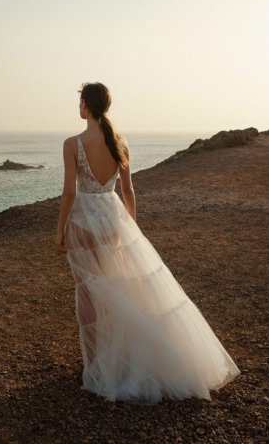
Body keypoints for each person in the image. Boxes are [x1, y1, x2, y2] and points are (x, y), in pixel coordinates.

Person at [55, 81, 241, 405]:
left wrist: (59, 230)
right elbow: (128, 190)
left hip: (84, 217)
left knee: (88, 290)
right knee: (111, 287)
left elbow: (70, 192)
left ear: (86, 105)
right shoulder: (119, 141)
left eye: (80, 101)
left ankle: (97, 366)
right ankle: (115, 360)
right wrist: (130, 226)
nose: (79, 106)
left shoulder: (73, 142)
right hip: (112, 217)